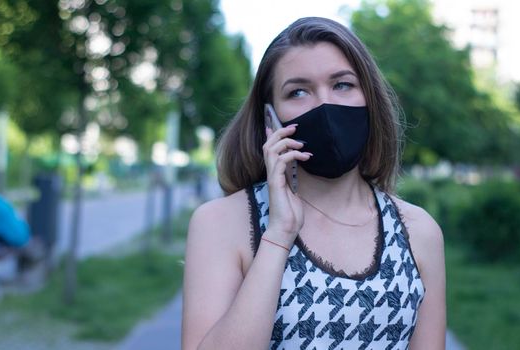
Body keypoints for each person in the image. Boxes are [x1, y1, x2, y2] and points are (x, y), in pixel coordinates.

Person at [182, 17, 445, 350]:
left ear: (370, 98)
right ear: (270, 119)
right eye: (298, 91)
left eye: (342, 85)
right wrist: (278, 235)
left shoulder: (419, 231)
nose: (324, 105)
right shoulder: (222, 223)